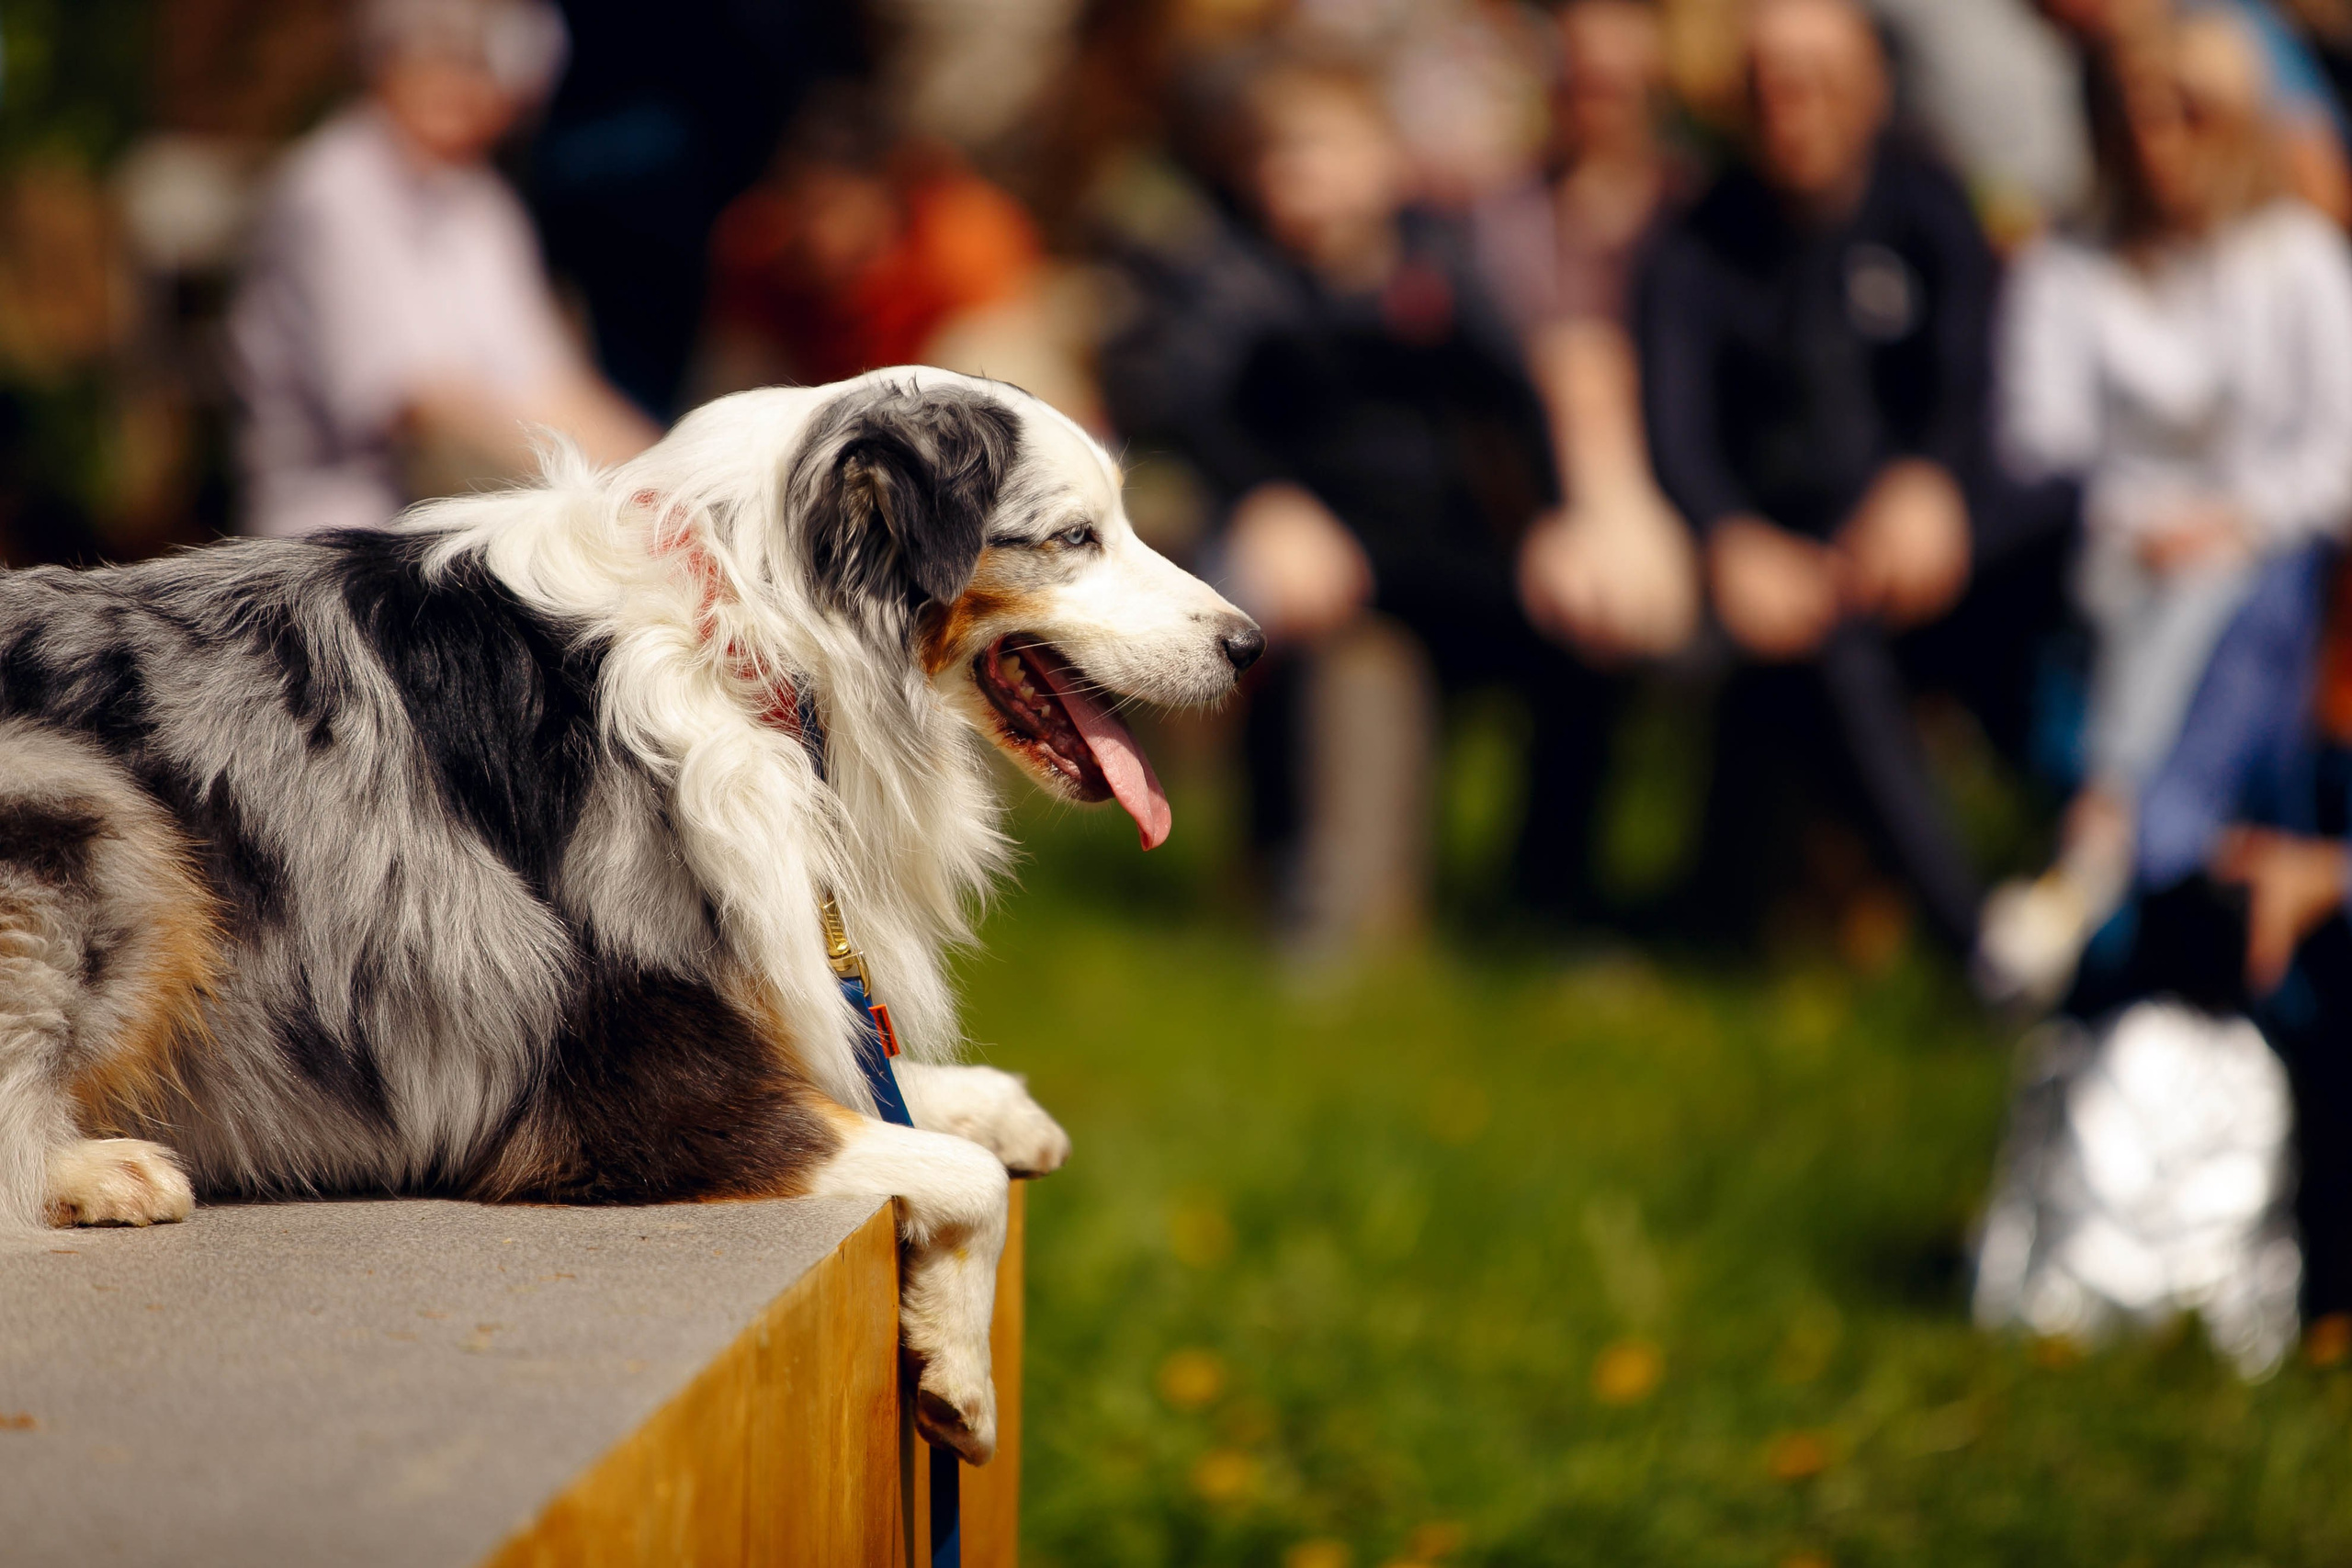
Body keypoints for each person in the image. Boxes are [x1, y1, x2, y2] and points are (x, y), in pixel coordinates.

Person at [1098, 52, 1607, 950]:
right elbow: (1185, 404)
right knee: (1280, 631)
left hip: (1439, 546)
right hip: (1310, 548)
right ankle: (1289, 869)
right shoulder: (1238, 277)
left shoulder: (1436, 269)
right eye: (1275, 158)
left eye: (1321, 151)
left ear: (1385, 161)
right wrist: (1263, 500)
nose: (1295, 179)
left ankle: (1547, 896)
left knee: (1583, 647)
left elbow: (1514, 396)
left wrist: (1559, 520)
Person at [1636, 0, 2053, 950]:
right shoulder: (1696, 241)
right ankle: (1982, 944)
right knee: (1832, 646)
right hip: (1785, 559)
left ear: (1872, 89)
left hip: (1939, 532)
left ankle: (2107, 882)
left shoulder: (1930, 205)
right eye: (1769, 82)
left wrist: (1931, 481)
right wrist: (1728, 538)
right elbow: (1678, 432)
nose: (1794, 106)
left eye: (1818, 78)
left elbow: (1974, 377)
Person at [1979, 11, 2352, 1004]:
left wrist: (2232, 522)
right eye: (2133, 114)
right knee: (2145, 601)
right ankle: (2155, 850)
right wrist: (2147, 523)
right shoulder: (2069, 265)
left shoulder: (2293, 259)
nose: (2157, 140)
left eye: (2186, 114)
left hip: (2262, 549)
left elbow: (2334, 450)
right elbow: (2039, 443)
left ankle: (2110, 836)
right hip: (2114, 545)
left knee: (2229, 605)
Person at [229, 0, 655, 539]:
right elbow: (418, 412)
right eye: (439, 52)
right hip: (334, 543)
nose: (461, 82)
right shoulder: (332, 191)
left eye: (480, 62)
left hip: (457, 529)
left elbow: (552, 386)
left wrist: (664, 479)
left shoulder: (481, 204)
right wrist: (624, 499)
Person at [1479, 0, 1702, 665]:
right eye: (1581, 85)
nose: (1598, 106)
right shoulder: (1503, 218)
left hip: (1674, 475)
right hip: (1535, 486)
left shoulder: (1697, 210)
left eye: (1616, 87)